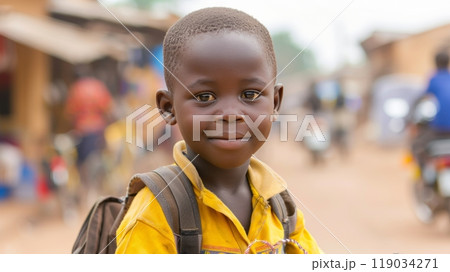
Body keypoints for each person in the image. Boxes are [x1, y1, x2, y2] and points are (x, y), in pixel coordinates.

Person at [115, 7, 321, 254]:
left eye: (250, 94)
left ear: (275, 102)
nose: (231, 114)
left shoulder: (280, 206)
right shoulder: (156, 215)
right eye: (204, 96)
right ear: (169, 108)